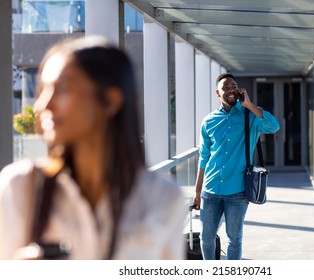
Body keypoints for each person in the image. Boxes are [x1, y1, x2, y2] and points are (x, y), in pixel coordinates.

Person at [0, 36, 185, 260]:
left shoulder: (163, 199)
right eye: (43, 90)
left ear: (110, 101)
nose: (43, 105)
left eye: (62, 89)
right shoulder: (20, 186)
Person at [193, 73, 280, 260]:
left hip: (238, 192)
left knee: (235, 239)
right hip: (211, 189)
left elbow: (274, 126)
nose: (231, 90)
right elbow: (204, 157)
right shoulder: (208, 121)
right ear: (218, 92)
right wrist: (197, 191)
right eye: (226, 87)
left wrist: (248, 104)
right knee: (206, 238)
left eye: (234, 86)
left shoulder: (251, 116)